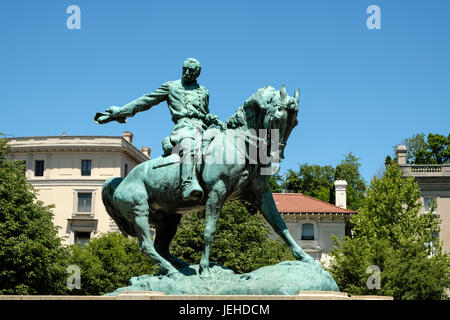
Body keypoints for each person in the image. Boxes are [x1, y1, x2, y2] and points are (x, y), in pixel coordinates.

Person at [96, 58, 223, 201]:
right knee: (189, 142)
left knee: (226, 143)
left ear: (197, 74)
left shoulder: (204, 91)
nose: (186, 73)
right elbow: (146, 100)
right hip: (184, 126)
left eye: (191, 71)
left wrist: (210, 118)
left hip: (203, 127)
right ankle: (188, 183)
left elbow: (204, 114)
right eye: (184, 69)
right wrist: (120, 112)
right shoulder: (172, 87)